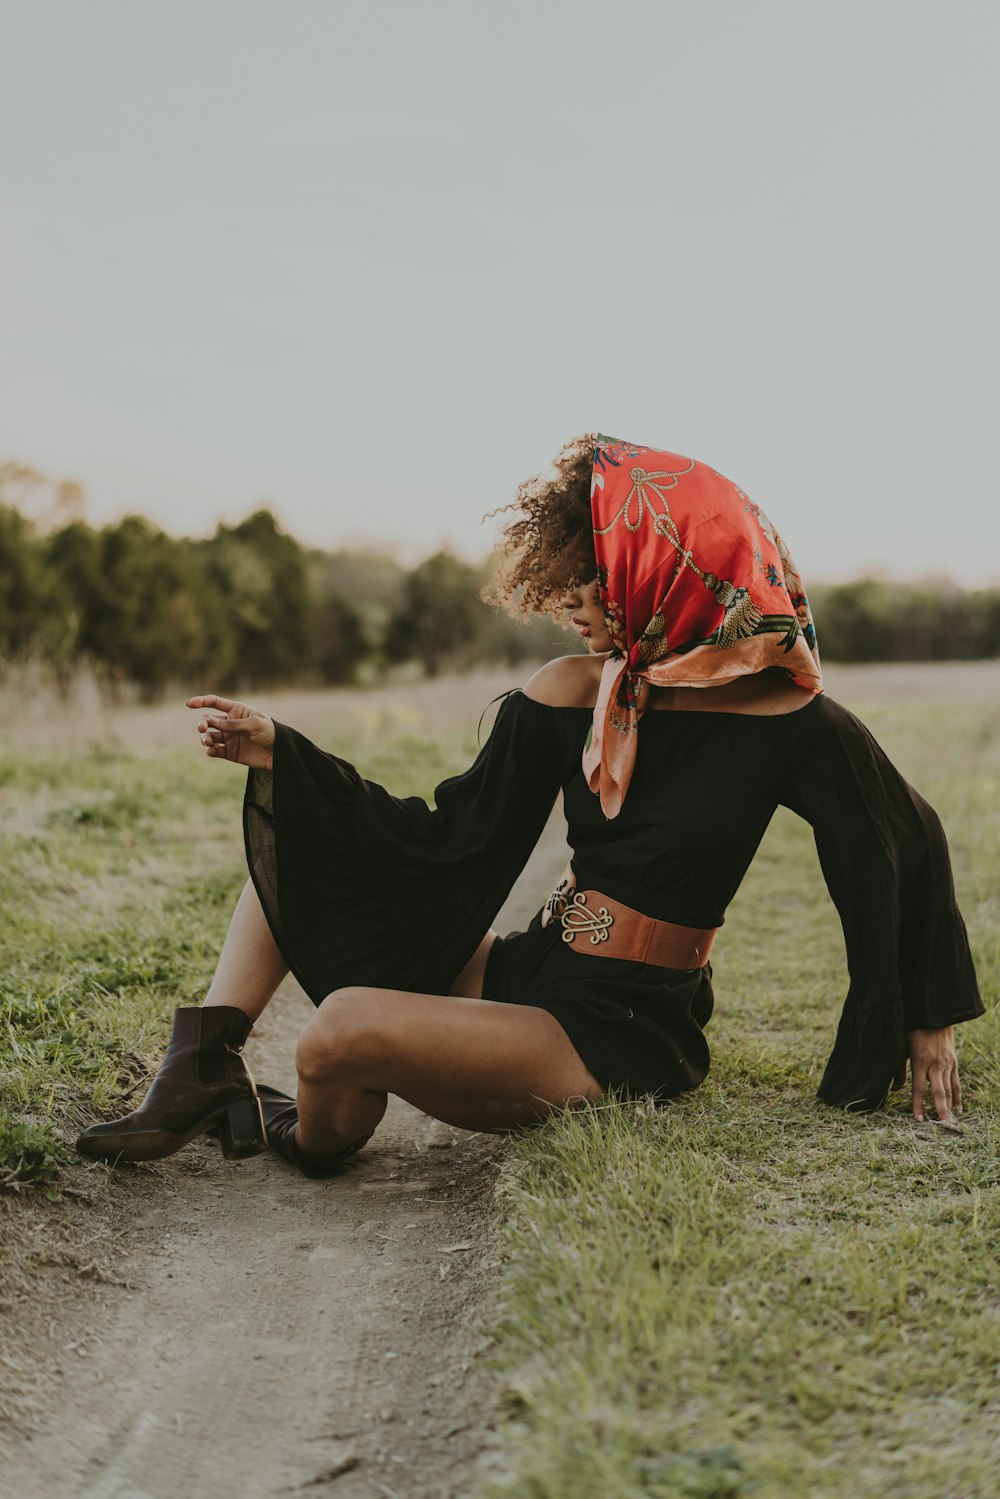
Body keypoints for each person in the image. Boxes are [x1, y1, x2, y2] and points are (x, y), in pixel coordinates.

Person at [76, 435, 983, 1176]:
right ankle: (207, 1060)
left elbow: (902, 834)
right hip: (530, 970)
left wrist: (922, 1016)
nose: (571, 601)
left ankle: (299, 1135)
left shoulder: (788, 715)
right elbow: (446, 838)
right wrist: (288, 754)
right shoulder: (572, 692)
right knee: (312, 840)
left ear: (658, 567)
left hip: (620, 1029)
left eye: (594, 573)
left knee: (334, 1034)